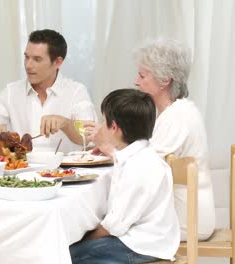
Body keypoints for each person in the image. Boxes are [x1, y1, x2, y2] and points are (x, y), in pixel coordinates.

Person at [70, 89, 179, 263]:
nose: (100, 126)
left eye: (103, 121)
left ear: (114, 127)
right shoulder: (143, 155)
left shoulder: (137, 168)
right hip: (153, 238)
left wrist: (80, 239)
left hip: (140, 245)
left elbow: (114, 226)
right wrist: (112, 151)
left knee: (64, 254)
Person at [134, 38, 215, 240]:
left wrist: (110, 147)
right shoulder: (170, 112)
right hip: (180, 214)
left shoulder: (178, 117)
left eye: (143, 76)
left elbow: (143, 167)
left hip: (189, 220)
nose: (136, 82)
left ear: (164, 80)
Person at [0, 29, 95, 153]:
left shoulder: (76, 91)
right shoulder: (11, 92)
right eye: (27, 57)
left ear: (57, 62)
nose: (28, 65)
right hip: (22, 169)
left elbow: (88, 137)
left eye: (37, 59)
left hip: (65, 170)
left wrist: (65, 123)